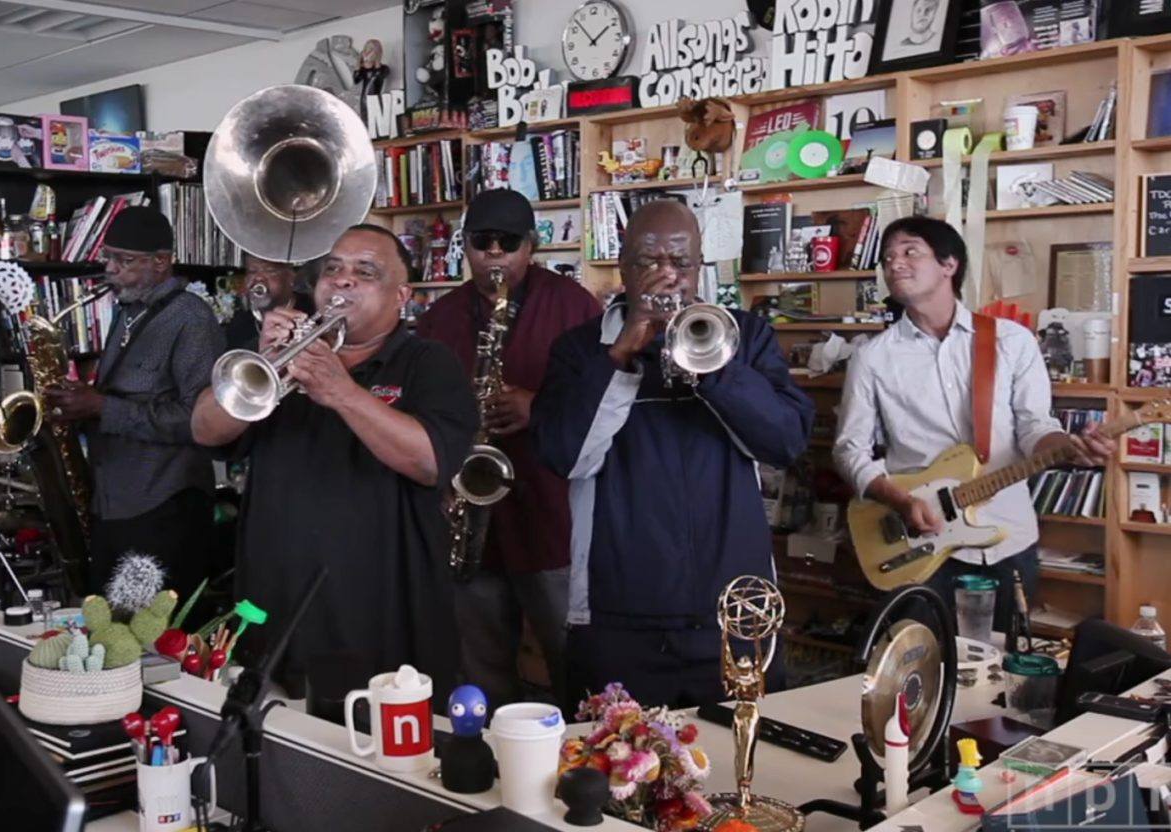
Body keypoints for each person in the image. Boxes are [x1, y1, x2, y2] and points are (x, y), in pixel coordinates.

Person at [531, 200, 812, 709]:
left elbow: (785, 441)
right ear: (623, 267)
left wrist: (714, 367)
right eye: (648, 262)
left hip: (735, 612)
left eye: (681, 264)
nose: (666, 277)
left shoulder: (745, 337)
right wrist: (619, 356)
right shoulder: (579, 350)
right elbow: (563, 456)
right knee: (619, 772)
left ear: (699, 267)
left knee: (746, 768)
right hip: (618, 618)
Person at [192, 224, 477, 697]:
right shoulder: (289, 356)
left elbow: (430, 461)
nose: (342, 281)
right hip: (274, 605)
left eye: (365, 272)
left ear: (401, 295)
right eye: (332, 269)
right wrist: (263, 361)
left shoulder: (429, 362)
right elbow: (204, 429)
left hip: (380, 612)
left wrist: (342, 393)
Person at [834, 216, 1113, 632]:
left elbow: (1035, 425)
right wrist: (899, 500)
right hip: (917, 541)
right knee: (920, 672)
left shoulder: (1011, 341)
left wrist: (1066, 446)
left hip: (1008, 539)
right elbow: (848, 449)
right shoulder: (872, 357)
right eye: (888, 257)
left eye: (910, 251)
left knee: (1003, 673)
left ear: (949, 265)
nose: (895, 264)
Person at [416, 189, 601, 710]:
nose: (494, 253)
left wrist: (535, 406)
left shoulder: (575, 305)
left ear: (532, 246)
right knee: (479, 663)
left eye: (508, 242)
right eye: (481, 241)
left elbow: (604, 403)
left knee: (572, 657)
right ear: (465, 246)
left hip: (549, 514)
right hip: (470, 520)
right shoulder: (440, 318)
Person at [44, 206, 225, 594]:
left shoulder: (190, 318)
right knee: (109, 631)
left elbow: (200, 419)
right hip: (115, 499)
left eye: (123, 260)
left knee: (156, 641)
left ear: (162, 262)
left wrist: (101, 408)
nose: (110, 268)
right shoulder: (127, 312)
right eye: (107, 256)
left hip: (164, 505)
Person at [222, 254, 316, 351]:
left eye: (269, 271)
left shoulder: (313, 312)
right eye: (252, 271)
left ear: (291, 277)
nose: (258, 278)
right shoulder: (238, 323)